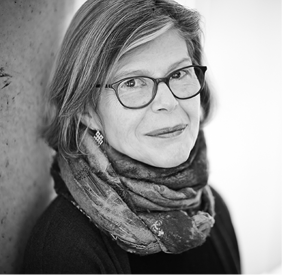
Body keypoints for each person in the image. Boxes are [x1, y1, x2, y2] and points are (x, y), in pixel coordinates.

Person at [21, 0, 241, 274]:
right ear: (87, 109)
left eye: (180, 73)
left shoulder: (210, 210)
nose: (168, 102)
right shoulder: (66, 248)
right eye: (132, 82)